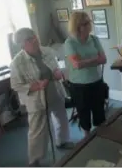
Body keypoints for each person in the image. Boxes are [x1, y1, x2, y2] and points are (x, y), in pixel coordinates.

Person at [10, 28, 74, 167]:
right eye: (29, 40)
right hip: (36, 99)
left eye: (34, 37)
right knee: (37, 130)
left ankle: (62, 141)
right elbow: (16, 85)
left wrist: (58, 72)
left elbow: (56, 66)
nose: (34, 40)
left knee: (61, 117)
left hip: (55, 91)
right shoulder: (17, 62)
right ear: (22, 45)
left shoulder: (47, 51)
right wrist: (34, 86)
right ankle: (34, 159)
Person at [64, 11, 107, 137]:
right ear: (78, 26)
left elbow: (103, 59)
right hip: (79, 86)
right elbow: (77, 65)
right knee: (84, 114)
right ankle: (86, 140)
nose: (89, 25)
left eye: (89, 22)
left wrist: (85, 62)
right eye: (86, 23)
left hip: (97, 81)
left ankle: (102, 137)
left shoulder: (94, 39)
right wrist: (95, 60)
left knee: (99, 112)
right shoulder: (70, 43)